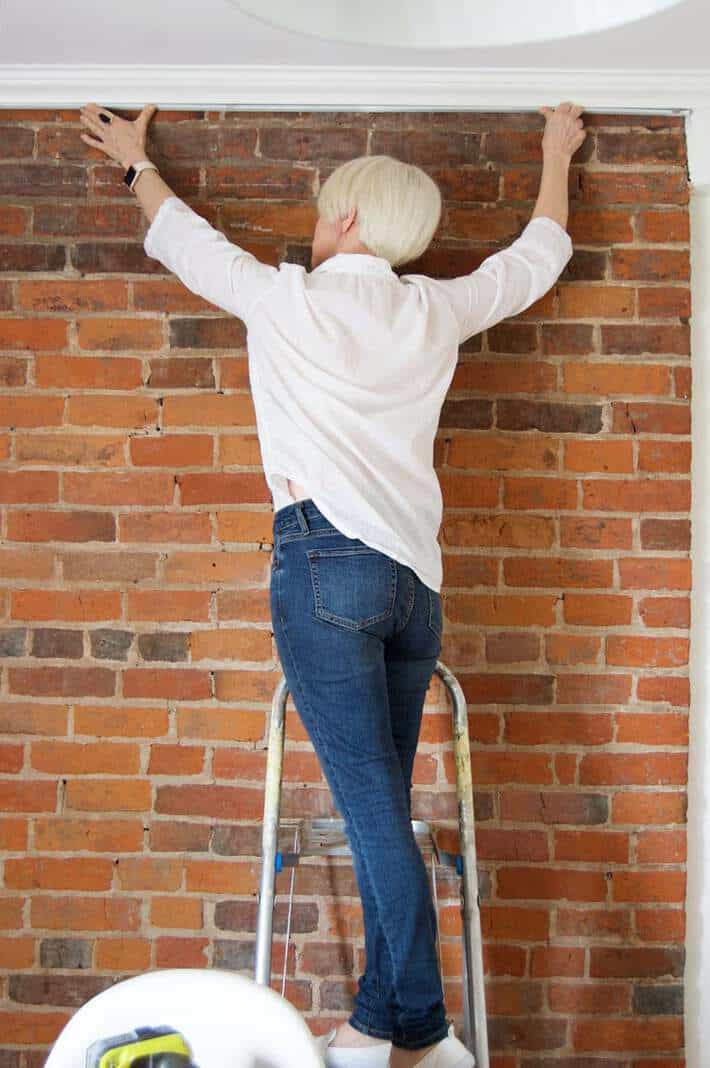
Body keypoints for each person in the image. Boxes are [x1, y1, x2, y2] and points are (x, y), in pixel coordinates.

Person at [79, 100, 586, 1068]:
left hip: (322, 571)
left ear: (347, 220)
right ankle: (371, 1025)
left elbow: (178, 237)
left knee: (373, 821)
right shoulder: (432, 308)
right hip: (411, 591)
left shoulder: (286, 298)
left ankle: (427, 1033)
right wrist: (555, 152)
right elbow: (537, 255)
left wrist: (136, 163)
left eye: (325, 210)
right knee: (379, 813)